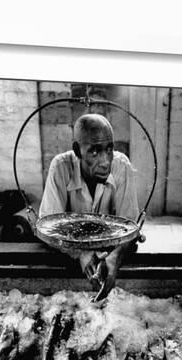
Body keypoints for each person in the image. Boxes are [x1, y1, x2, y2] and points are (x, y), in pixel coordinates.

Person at [39, 113, 139, 300]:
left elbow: (131, 226)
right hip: (67, 260)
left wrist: (115, 259)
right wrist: (81, 254)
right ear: (77, 150)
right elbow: (48, 228)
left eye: (109, 149)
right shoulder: (60, 166)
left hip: (109, 251)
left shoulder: (121, 165)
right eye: (94, 151)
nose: (105, 161)